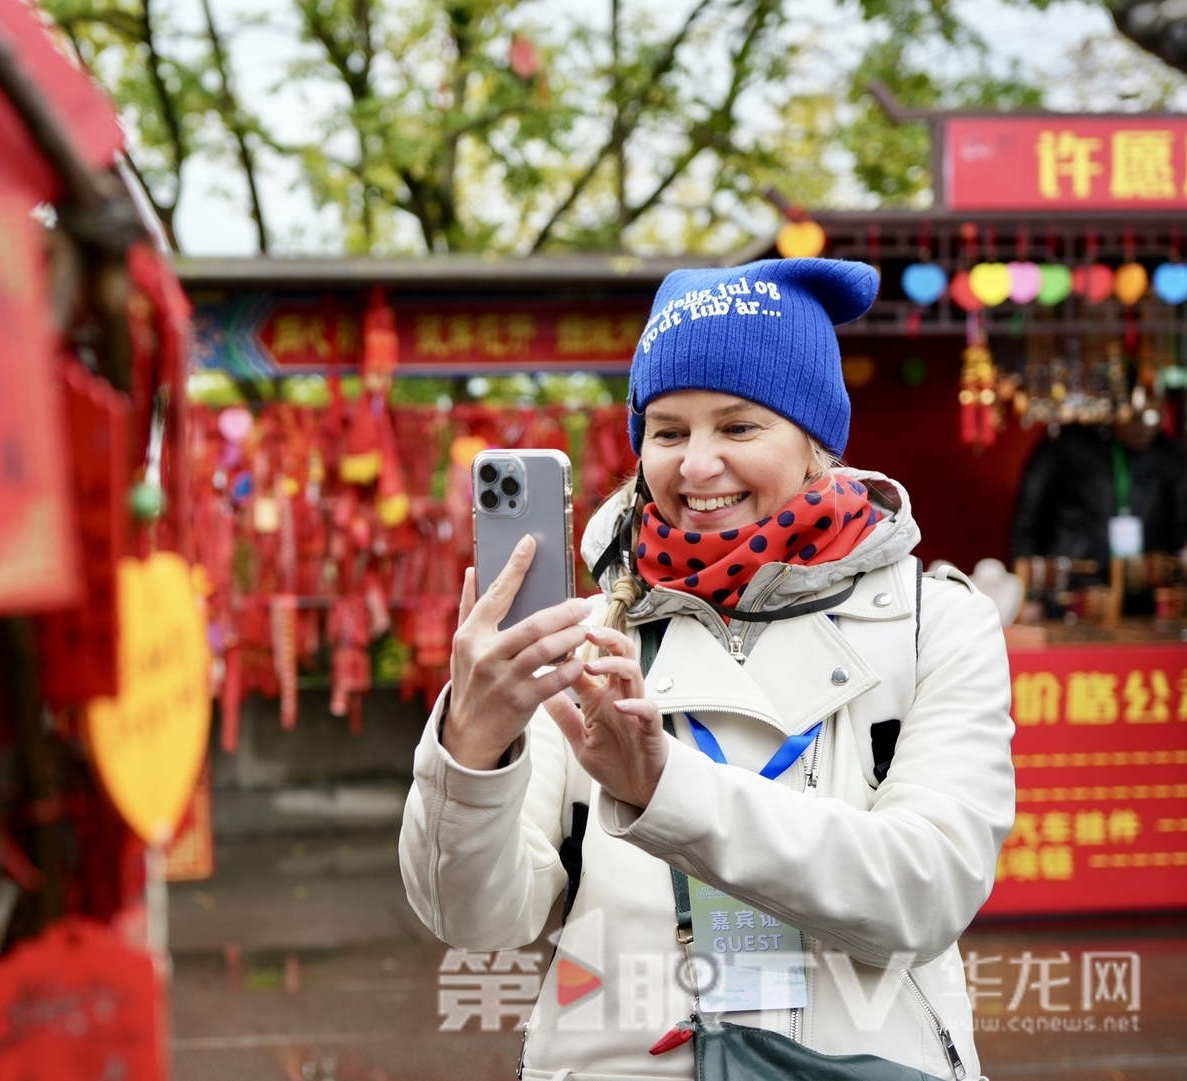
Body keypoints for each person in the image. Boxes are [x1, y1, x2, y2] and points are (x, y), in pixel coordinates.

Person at [400, 258, 1014, 1081]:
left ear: (814, 443)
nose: (695, 465)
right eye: (668, 430)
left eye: (738, 427)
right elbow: (473, 918)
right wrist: (471, 751)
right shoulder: (581, 641)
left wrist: (665, 790)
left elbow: (926, 890)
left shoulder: (934, 621)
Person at [1009, 410, 1187, 608]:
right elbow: (1027, 522)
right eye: (1134, 416)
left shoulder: (1170, 457)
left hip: (1141, 600)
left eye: (1152, 416)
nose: (1142, 427)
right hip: (1070, 594)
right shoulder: (1068, 445)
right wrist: (1025, 596)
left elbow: (1178, 534)